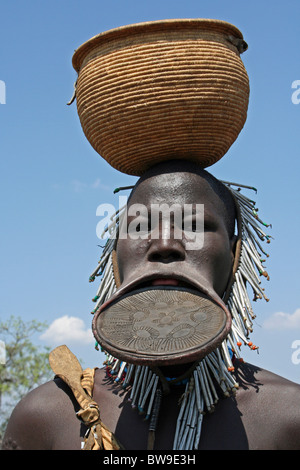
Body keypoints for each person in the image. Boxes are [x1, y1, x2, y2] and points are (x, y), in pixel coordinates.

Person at [2, 160, 300, 450]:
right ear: (115, 258)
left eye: (194, 225)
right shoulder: (47, 417)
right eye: (141, 226)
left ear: (235, 257)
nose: (165, 243)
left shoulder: (289, 418)